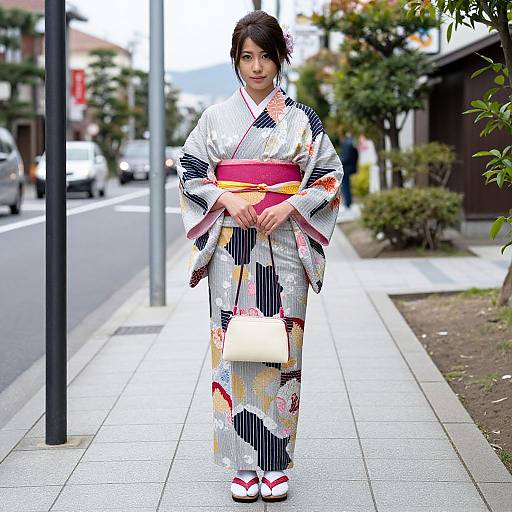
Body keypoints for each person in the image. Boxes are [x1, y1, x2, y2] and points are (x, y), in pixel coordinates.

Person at [176, 10, 343, 503]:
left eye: (265, 56)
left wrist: (290, 204)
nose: (256, 67)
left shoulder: (300, 118)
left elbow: (328, 174)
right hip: (232, 243)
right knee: (232, 345)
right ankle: (241, 464)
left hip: (285, 243)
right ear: (235, 60)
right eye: (246, 57)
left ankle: (276, 463)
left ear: (280, 57)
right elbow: (190, 168)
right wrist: (227, 199)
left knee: (281, 345)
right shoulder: (214, 118)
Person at [339, 132, 359, 210]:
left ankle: (347, 203)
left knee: (346, 186)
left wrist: (338, 161)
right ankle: (348, 202)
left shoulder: (347, 144)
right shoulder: (351, 143)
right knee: (347, 186)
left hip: (346, 168)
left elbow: (345, 157)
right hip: (349, 167)